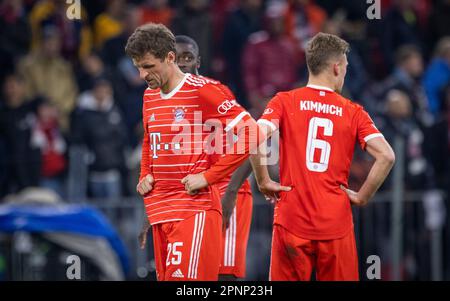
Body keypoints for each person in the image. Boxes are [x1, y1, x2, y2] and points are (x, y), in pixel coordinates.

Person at [250, 32, 395, 281]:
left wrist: (262, 179)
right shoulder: (353, 112)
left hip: (291, 219)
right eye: (346, 67)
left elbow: (254, 135)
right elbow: (387, 156)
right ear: (337, 67)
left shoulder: (284, 101)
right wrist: (362, 196)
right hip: (335, 223)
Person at [125, 23, 260, 281]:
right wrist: (145, 174)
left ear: (169, 57)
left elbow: (253, 133)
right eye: (138, 67)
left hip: (194, 209)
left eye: (149, 67)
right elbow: (149, 140)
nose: (142, 75)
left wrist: (210, 178)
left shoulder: (204, 90)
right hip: (162, 211)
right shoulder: (149, 96)